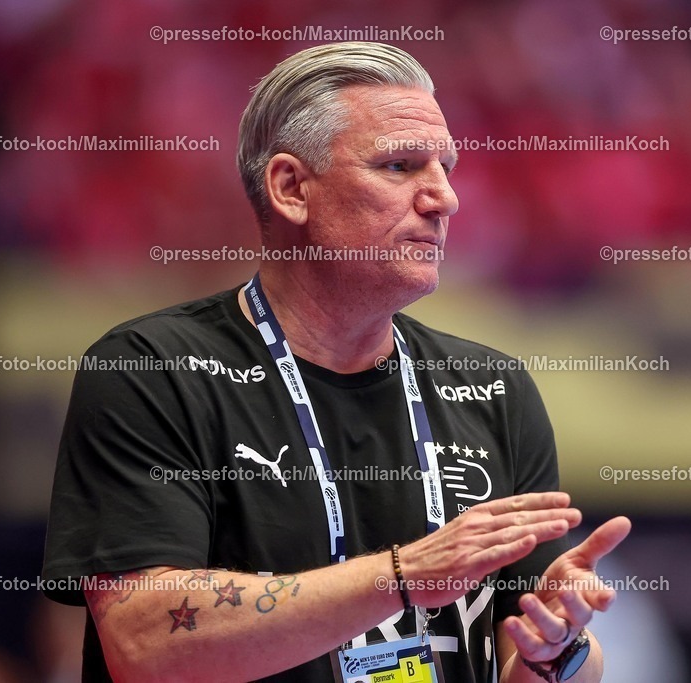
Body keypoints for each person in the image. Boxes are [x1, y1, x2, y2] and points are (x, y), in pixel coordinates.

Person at [42, 41, 631, 682]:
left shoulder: (493, 388)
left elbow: (526, 655)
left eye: (447, 167)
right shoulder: (154, 371)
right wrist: (404, 575)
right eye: (401, 166)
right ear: (292, 188)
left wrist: (557, 652)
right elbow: (146, 644)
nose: (446, 199)